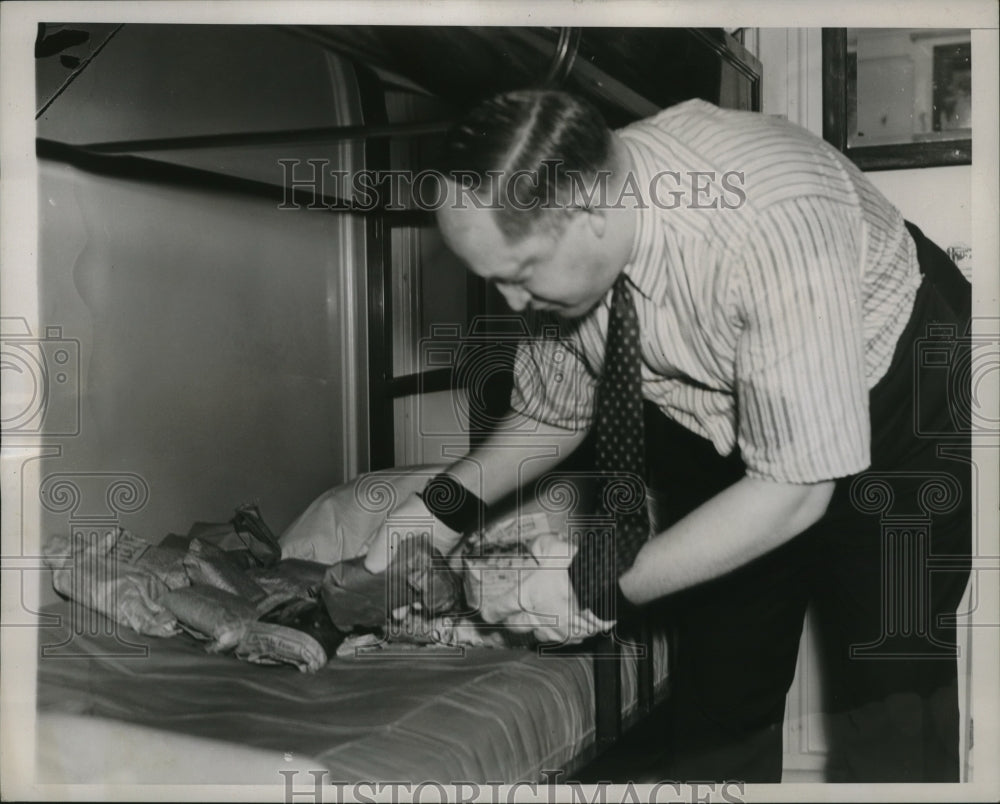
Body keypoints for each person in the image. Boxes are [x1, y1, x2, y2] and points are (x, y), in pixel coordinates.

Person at [363, 90, 972, 783]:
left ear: (590, 210)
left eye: (520, 275)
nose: (512, 304)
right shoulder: (563, 243)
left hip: (897, 393)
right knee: (719, 691)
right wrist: (434, 512)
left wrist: (589, 587)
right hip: (732, 426)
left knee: (893, 697)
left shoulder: (770, 217)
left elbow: (795, 491)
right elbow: (552, 413)